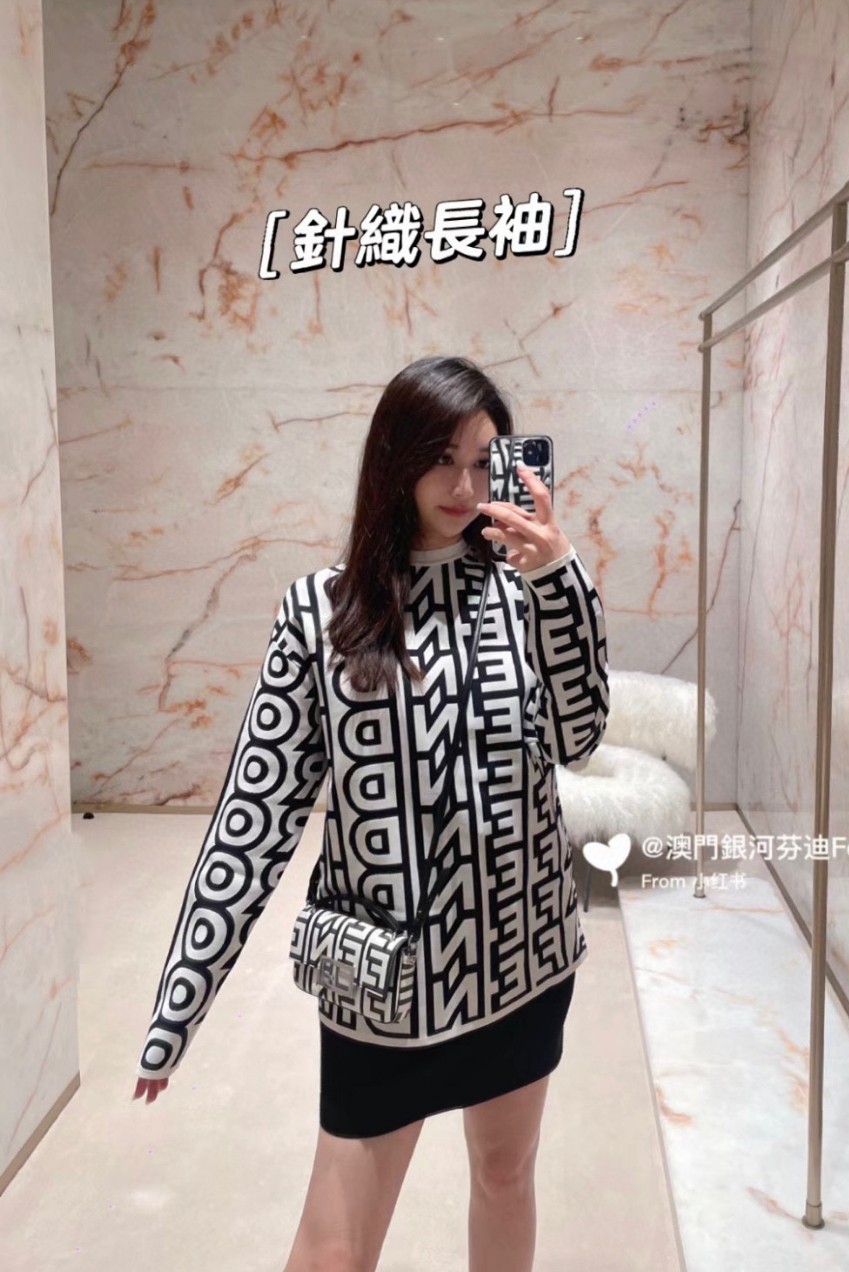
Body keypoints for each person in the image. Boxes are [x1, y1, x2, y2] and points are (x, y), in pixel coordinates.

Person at [131, 355, 609, 1272]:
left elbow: (580, 736)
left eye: (484, 460)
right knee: (333, 1252)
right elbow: (255, 812)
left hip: (523, 957)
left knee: (505, 1174)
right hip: (385, 987)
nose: (465, 486)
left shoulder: (525, 591)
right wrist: (180, 1002)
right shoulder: (323, 610)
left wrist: (560, 578)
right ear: (394, 459)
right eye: (441, 459)